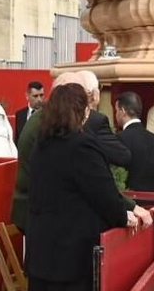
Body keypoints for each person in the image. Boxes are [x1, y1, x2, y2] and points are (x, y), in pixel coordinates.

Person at [24, 82, 154, 291]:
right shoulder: (81, 145)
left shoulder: (43, 144)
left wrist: (126, 207)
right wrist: (124, 214)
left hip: (40, 251)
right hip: (70, 252)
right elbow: (103, 192)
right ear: (82, 111)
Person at [12, 70, 130, 230]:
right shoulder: (77, 142)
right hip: (62, 228)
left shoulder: (46, 133)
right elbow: (99, 187)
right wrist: (124, 214)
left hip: (39, 222)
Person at [113, 91, 154, 192]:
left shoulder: (118, 139)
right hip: (151, 201)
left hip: (127, 203)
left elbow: (115, 175)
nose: (116, 115)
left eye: (116, 111)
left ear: (123, 111)